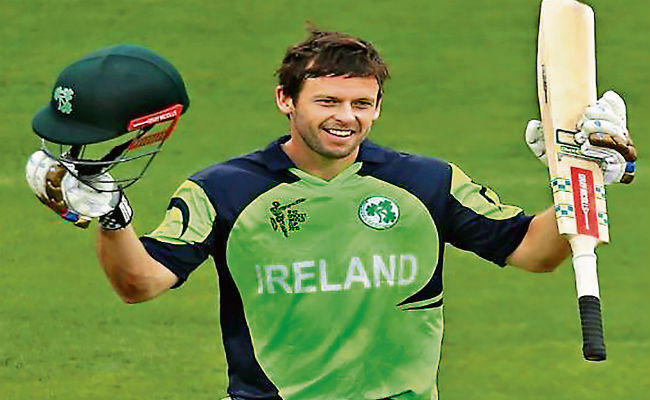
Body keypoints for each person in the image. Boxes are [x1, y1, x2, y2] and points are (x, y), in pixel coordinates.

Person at [26, 29, 636, 400]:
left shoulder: (427, 182)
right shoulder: (224, 190)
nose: (347, 117)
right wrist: (112, 218)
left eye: (362, 103)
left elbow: (536, 252)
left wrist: (585, 185)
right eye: (328, 101)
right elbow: (140, 284)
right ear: (285, 100)